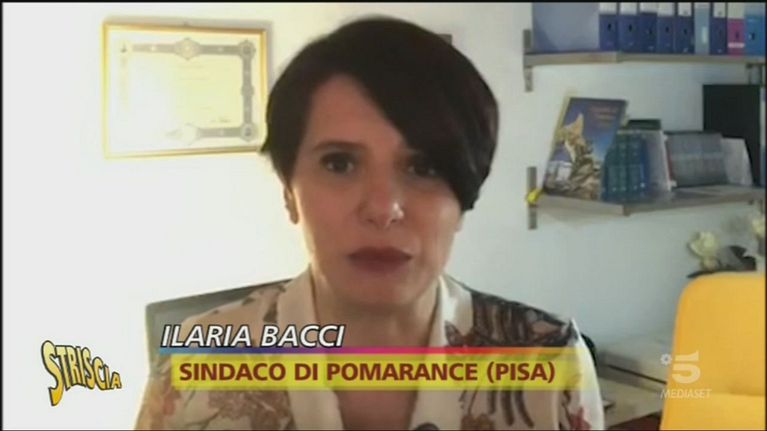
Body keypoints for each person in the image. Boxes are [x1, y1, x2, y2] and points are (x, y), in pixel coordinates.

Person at [135, 16, 604, 431]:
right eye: (339, 163)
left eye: (423, 167)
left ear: (463, 197)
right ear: (288, 191)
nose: (383, 208)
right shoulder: (195, 366)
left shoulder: (549, 362)